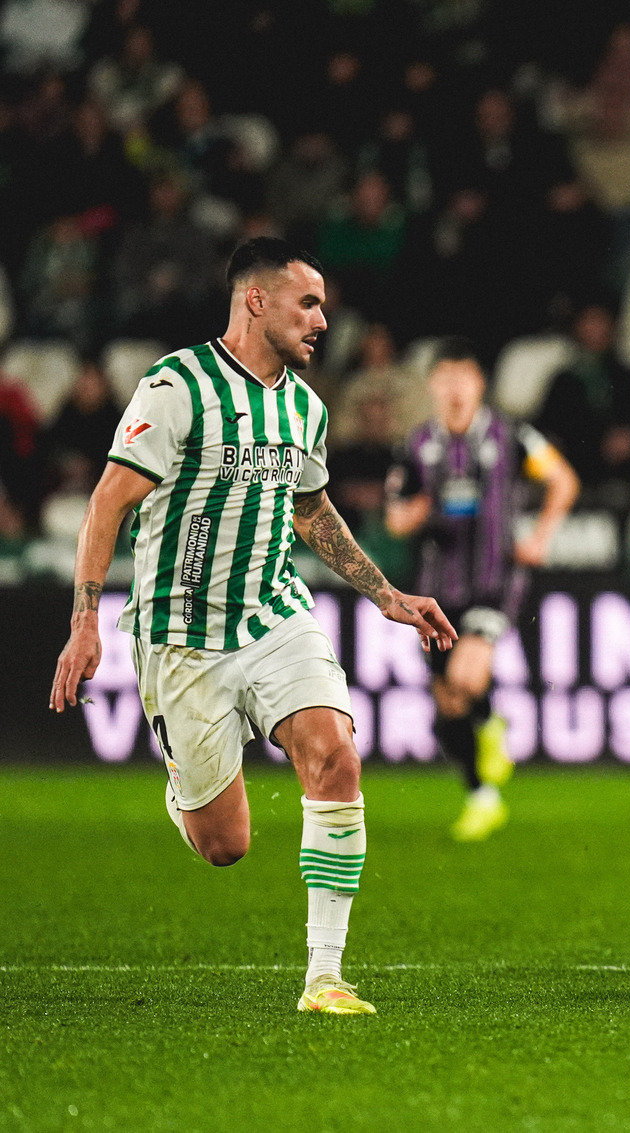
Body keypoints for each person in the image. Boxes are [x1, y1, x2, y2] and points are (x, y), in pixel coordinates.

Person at [48, 238, 457, 1015]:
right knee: (224, 845)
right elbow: (107, 502)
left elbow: (311, 509)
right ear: (256, 300)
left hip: (274, 613)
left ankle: (325, 977)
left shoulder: (307, 407)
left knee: (336, 754)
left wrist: (385, 594)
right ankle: (186, 784)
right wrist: (85, 620)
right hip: (180, 631)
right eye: (309, 303)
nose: (323, 320)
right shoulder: (177, 387)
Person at [386, 338, 579, 841]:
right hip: (435, 589)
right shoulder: (416, 445)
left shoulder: (511, 435)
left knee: (466, 677)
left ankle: (489, 723)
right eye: (445, 378)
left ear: (479, 384)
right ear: (432, 385)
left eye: (463, 378)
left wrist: (540, 537)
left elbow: (563, 481)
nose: (454, 388)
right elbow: (395, 518)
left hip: (495, 579)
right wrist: (417, 512)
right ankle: (481, 795)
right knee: (447, 702)